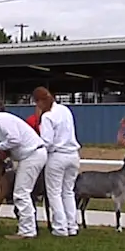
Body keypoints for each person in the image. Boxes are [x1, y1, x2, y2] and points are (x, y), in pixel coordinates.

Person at [0, 97, 47, 240]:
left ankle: (27, 231)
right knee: (22, 193)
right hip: (31, 155)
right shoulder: (0, 121)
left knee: (21, 193)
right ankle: (28, 228)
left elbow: (15, 140)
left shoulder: (1, 120)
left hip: (32, 155)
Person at [34, 87, 81, 237]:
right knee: (68, 192)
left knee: (54, 193)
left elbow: (47, 141)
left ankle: (60, 228)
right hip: (73, 155)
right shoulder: (65, 110)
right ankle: (72, 226)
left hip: (57, 156)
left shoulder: (47, 117)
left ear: (39, 101)